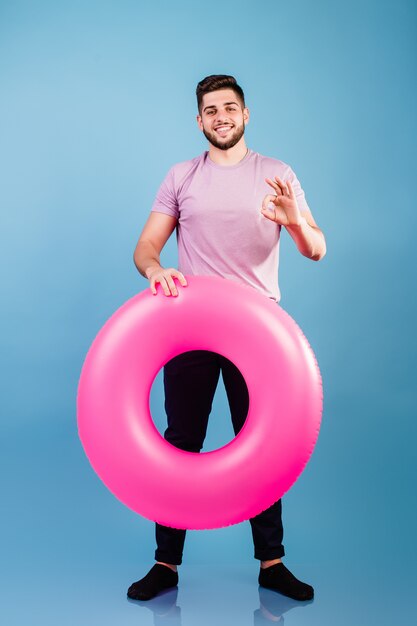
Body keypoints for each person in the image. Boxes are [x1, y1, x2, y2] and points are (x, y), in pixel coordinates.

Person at [128, 74, 326, 603]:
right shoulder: (181, 176)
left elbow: (316, 248)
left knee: (262, 446)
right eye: (210, 110)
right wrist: (153, 270)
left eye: (230, 108)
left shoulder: (277, 174)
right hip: (192, 329)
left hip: (259, 337)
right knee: (181, 441)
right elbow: (146, 246)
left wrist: (296, 223)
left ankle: (272, 563)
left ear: (245, 114)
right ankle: (165, 565)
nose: (221, 116)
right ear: (199, 120)